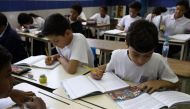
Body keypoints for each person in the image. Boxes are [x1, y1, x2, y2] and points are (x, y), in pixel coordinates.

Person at [91, 20, 178, 93]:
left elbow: (175, 83)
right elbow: (107, 72)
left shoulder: (158, 60)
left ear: (154, 48)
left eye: (148, 55)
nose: (140, 61)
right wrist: (98, 73)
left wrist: (159, 83)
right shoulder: (117, 55)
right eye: (135, 54)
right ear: (126, 44)